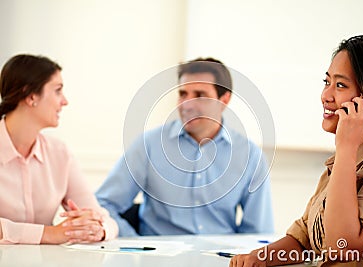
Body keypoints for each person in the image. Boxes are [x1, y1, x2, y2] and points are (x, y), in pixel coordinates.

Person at [230, 34, 363, 267]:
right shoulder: (341, 164)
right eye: (326, 82)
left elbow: (343, 247)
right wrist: (258, 258)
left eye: (340, 85)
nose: (325, 96)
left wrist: (347, 147)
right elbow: (304, 239)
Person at [96, 57, 274, 236]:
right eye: (183, 94)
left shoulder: (250, 156)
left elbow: (258, 233)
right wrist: (136, 244)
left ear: (224, 100)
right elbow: (103, 205)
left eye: (200, 95)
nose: (186, 104)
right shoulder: (149, 145)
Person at [0, 54, 118, 244]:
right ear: (31, 96)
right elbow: (52, 235)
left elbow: (103, 218)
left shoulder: (59, 153)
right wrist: (48, 234)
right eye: (57, 91)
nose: (64, 101)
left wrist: (97, 229)